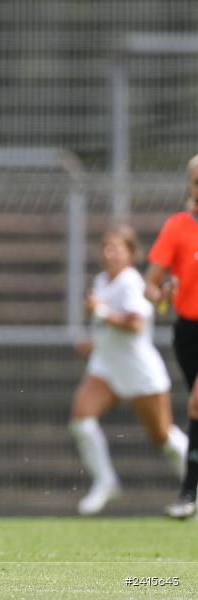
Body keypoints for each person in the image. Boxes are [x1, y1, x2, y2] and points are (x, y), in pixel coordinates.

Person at [68, 224, 187, 515]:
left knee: (163, 438)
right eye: (107, 247)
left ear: (131, 254)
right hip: (107, 367)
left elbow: (134, 324)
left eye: (118, 248)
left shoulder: (131, 282)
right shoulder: (100, 281)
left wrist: (101, 313)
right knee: (81, 419)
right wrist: (94, 342)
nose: (111, 253)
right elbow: (106, 324)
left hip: (138, 372)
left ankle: (192, 487)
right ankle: (106, 482)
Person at [146, 154, 198, 519]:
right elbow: (151, 284)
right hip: (187, 331)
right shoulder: (178, 226)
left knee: (196, 405)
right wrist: (160, 293)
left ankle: (188, 493)